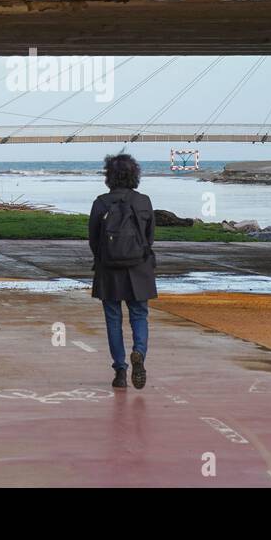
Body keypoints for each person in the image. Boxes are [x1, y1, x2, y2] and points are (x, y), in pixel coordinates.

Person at [88, 153, 156, 390]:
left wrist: (105, 257)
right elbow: (150, 238)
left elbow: (93, 240)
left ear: (109, 176)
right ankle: (139, 352)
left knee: (113, 319)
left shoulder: (100, 203)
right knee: (139, 315)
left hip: (109, 270)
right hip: (139, 269)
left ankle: (120, 370)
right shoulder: (143, 202)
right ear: (135, 175)